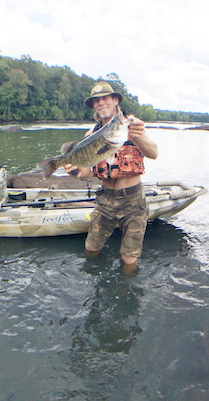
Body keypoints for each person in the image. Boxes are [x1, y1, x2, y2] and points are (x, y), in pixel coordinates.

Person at [64, 81, 158, 274]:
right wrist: (74, 170)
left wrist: (138, 137)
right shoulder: (91, 134)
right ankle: (92, 277)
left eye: (105, 98)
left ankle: (126, 289)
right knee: (91, 247)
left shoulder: (131, 126)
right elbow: (86, 172)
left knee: (129, 257)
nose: (100, 103)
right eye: (96, 101)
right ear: (93, 107)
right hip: (105, 197)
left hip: (133, 200)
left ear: (115, 100)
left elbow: (154, 153)